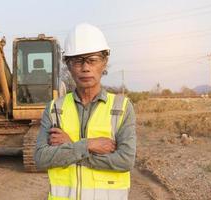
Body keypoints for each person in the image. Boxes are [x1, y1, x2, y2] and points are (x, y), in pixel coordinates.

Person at [34, 23, 136, 200]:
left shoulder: (122, 108)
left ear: (104, 62)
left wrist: (71, 146)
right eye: (77, 60)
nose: (85, 68)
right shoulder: (54, 109)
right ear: (68, 65)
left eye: (93, 60)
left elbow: (125, 161)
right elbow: (41, 158)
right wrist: (88, 145)